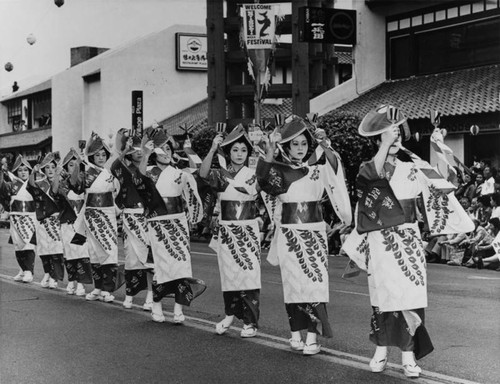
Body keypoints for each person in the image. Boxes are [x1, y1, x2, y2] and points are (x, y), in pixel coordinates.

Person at [342, 105, 474, 378]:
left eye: (398, 133)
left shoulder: (413, 166)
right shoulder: (369, 167)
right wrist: (386, 145)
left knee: (410, 296)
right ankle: (380, 348)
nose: (395, 137)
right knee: (382, 294)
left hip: (409, 237)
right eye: (388, 134)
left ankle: (408, 354)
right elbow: (367, 181)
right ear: (377, 139)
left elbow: (446, 187)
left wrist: (439, 147)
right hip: (380, 238)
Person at [257, 115, 352, 355]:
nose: (300, 148)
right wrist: (269, 151)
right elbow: (261, 179)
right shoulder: (280, 172)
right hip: (290, 234)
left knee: (316, 283)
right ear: (286, 147)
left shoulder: (317, 171)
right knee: (293, 284)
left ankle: (312, 335)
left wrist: (325, 145)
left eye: (303, 144)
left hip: (314, 233)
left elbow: (335, 167)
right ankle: (295, 333)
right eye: (295, 144)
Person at [199, 124, 262, 338]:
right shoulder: (220, 174)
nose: (239, 154)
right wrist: (212, 148)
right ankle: (229, 314)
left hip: (248, 230)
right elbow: (203, 173)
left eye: (243, 150)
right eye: (235, 150)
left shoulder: (254, 173)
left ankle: (251, 322)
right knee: (229, 275)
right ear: (228, 152)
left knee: (249, 274)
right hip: (227, 230)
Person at [138, 129, 206, 323]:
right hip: (157, 224)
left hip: (178, 223)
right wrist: (145, 154)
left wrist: (189, 150)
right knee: (160, 267)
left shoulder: (180, 173)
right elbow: (138, 181)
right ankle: (157, 305)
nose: (166, 153)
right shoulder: (148, 173)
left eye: (168, 149)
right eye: (161, 149)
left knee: (181, 267)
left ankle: (178, 308)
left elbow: (199, 174)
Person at [69, 132, 120, 303]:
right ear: (91, 156)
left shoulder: (110, 173)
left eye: (103, 154)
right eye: (97, 154)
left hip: (108, 214)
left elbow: (117, 194)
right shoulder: (86, 172)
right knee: (94, 252)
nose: (100, 157)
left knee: (109, 251)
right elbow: (75, 186)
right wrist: (77, 164)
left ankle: (107, 289)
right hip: (91, 215)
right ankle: (97, 287)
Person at [111, 130, 154, 310]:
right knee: (131, 257)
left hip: (148, 218)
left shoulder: (152, 170)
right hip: (130, 216)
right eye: (134, 149)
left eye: (140, 149)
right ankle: (129, 293)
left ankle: (151, 295)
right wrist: (123, 150)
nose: (138, 151)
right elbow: (113, 167)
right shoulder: (124, 170)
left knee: (150, 259)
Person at [56, 148, 93, 296]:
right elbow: (71, 182)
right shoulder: (63, 184)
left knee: (82, 252)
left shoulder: (86, 182)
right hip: (68, 222)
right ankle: (72, 280)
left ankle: (82, 283)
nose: (74, 167)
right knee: (70, 253)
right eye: (71, 165)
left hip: (82, 223)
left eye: (76, 164)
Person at [27, 153, 65, 289]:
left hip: (56, 221)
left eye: (53, 167)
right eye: (47, 167)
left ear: (56, 168)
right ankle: (48, 273)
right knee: (44, 251)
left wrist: (58, 176)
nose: (50, 170)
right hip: (43, 221)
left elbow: (55, 192)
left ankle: (55, 276)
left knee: (56, 250)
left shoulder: (61, 182)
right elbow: (31, 185)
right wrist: (33, 172)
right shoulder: (40, 183)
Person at [0, 155, 36, 282]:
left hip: (30, 218)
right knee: (18, 246)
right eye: (20, 170)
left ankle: (29, 271)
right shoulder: (12, 185)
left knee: (28, 245)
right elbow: (2, 188)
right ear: (16, 172)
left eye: (25, 170)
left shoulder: (34, 184)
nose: (23, 172)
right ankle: (22, 270)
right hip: (15, 219)